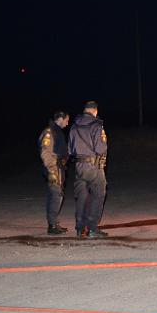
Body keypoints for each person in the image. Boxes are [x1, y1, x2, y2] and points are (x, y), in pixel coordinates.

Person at [68, 101, 109, 238]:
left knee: (81, 197)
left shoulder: (74, 126)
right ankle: (92, 228)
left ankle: (80, 228)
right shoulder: (96, 125)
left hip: (79, 166)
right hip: (93, 166)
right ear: (95, 111)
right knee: (98, 195)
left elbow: (70, 149)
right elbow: (100, 148)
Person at [39, 111, 70, 234]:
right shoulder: (49, 132)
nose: (67, 123)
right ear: (60, 118)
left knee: (57, 195)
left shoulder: (57, 131)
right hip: (53, 168)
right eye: (67, 120)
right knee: (56, 195)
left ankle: (54, 223)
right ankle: (52, 226)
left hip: (59, 168)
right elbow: (45, 152)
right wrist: (51, 170)